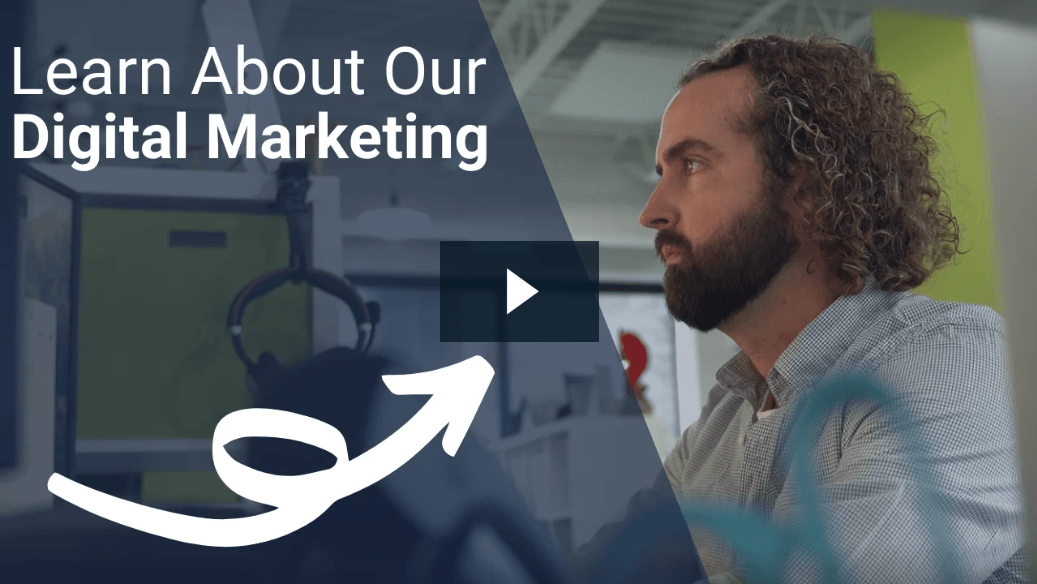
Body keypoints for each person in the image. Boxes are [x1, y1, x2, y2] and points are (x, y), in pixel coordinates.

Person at [574, 33, 1027, 583]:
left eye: (691, 165)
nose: (653, 212)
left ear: (809, 191)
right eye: (660, 174)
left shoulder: (953, 362)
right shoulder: (723, 421)